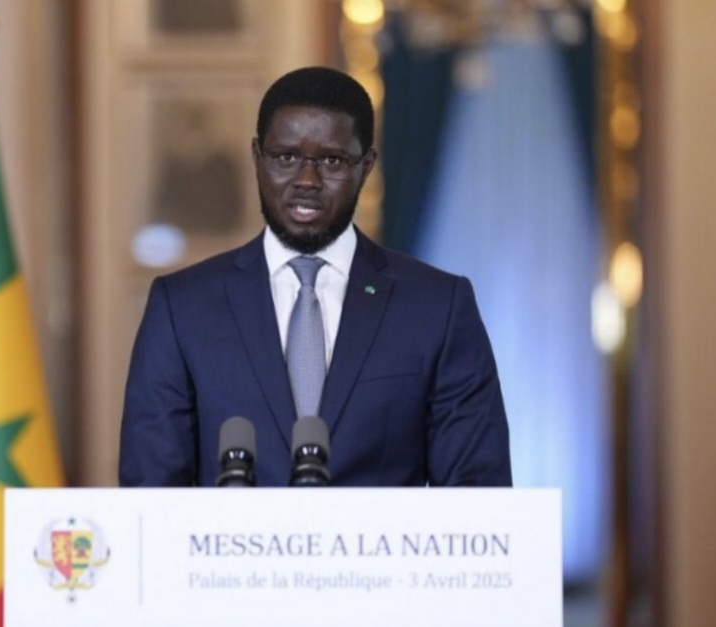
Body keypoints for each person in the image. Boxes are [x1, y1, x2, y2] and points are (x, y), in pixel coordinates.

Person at [119, 67, 511, 487]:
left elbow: (479, 494)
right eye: (286, 158)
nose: (307, 180)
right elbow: (150, 496)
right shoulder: (182, 308)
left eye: (332, 160)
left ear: (366, 166)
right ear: (257, 158)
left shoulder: (437, 307)